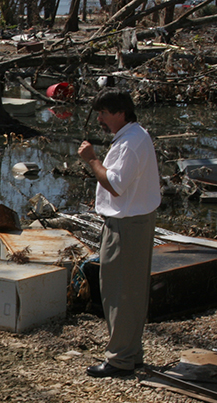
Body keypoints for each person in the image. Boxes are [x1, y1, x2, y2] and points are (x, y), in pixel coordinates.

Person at [77, 88, 161, 378]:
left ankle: (119, 360)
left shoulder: (129, 143)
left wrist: (91, 159)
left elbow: (115, 184)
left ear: (120, 113)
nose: (100, 118)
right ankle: (131, 353)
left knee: (119, 292)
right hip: (137, 221)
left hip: (126, 226)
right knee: (133, 291)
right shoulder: (136, 135)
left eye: (104, 113)